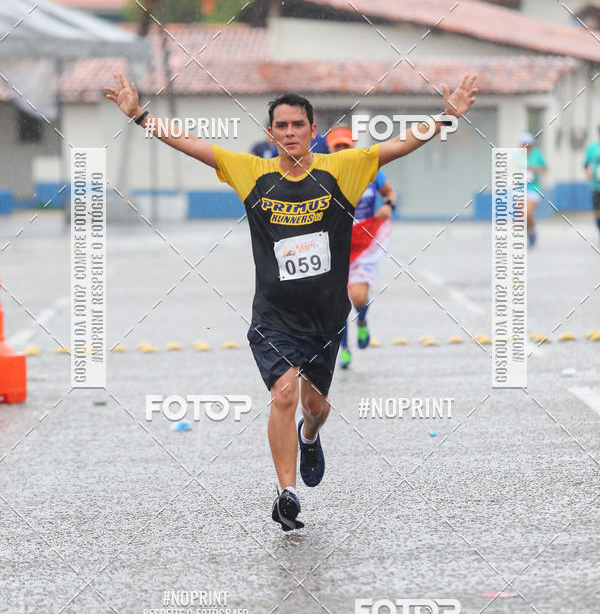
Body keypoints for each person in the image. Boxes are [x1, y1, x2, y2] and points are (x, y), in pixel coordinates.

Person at [105, 73, 478, 531]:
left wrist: (446, 118)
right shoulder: (252, 174)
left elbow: (397, 146)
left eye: (297, 125)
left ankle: (309, 437)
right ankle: (287, 494)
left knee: (315, 407)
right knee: (282, 394)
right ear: (271, 134)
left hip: (325, 317)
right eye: (281, 126)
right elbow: (194, 145)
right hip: (274, 317)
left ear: (312, 129)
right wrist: (141, 116)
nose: (289, 133)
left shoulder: (343, 168)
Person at [326, 126, 397, 369]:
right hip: (335, 245)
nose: (342, 150)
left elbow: (389, 192)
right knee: (338, 303)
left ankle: (363, 321)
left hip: (364, 241)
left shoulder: (369, 170)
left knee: (358, 296)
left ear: (353, 146)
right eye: (337, 146)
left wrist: (388, 205)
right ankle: (344, 349)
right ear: (329, 148)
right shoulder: (321, 174)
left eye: (346, 145)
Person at [519, 131, 547, 247]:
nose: (526, 146)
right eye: (523, 144)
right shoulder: (516, 155)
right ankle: (530, 232)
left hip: (533, 188)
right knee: (522, 216)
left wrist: (534, 169)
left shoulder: (537, 155)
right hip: (519, 188)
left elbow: (545, 169)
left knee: (528, 213)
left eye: (528, 144)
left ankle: (532, 230)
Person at [583, 124, 600, 241]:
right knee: (598, 213)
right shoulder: (592, 148)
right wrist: (588, 172)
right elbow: (586, 164)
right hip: (596, 185)